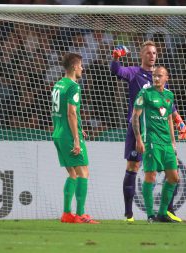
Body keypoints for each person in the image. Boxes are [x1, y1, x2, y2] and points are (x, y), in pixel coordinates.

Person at [110, 41, 185, 222]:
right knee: (133, 166)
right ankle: (129, 213)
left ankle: (167, 211)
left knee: (170, 170)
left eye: (154, 53)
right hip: (138, 129)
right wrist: (115, 58)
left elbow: (169, 106)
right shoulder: (134, 73)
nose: (152, 56)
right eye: (148, 53)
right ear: (142, 55)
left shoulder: (160, 78)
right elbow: (116, 71)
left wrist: (180, 122)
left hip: (159, 132)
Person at [53, 53, 99, 224]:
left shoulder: (58, 84)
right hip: (69, 136)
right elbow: (71, 112)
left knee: (72, 173)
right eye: (80, 65)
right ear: (74, 67)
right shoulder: (73, 86)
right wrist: (76, 139)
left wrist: (79, 128)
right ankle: (80, 215)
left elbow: (61, 113)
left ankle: (67, 214)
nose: (82, 68)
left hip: (58, 134)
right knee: (83, 172)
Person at [132, 66, 179, 223]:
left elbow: (169, 119)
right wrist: (139, 139)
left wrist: (173, 141)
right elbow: (135, 116)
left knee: (173, 177)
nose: (156, 78)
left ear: (167, 78)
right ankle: (150, 215)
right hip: (151, 141)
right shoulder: (144, 93)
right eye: (154, 75)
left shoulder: (169, 96)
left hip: (166, 143)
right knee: (150, 176)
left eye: (160, 76)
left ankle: (162, 213)